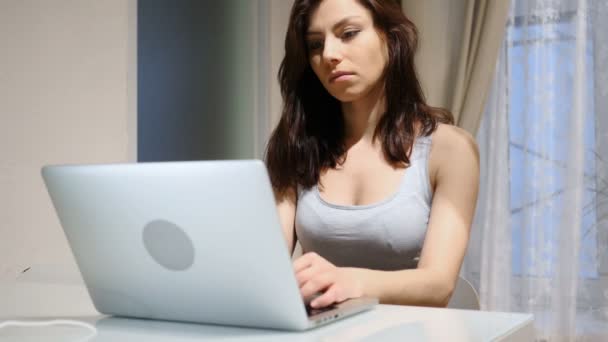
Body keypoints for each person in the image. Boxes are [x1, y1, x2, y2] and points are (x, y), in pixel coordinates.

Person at [264, 0, 479, 309]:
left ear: (391, 36)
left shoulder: (451, 150)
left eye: (348, 33)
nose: (329, 54)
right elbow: (269, 264)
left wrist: (350, 281)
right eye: (315, 44)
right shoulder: (298, 146)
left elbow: (438, 284)